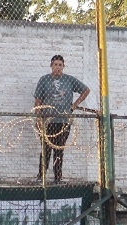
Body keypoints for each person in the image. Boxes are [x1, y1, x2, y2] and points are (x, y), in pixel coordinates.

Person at [33, 55, 89, 184]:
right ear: (51, 66)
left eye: (60, 65)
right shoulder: (44, 80)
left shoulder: (69, 80)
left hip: (63, 121)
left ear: (63, 66)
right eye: (55, 64)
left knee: (59, 150)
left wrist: (74, 105)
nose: (58, 67)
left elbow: (86, 90)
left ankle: (58, 178)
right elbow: (38, 100)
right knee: (45, 149)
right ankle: (41, 177)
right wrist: (38, 118)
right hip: (47, 121)